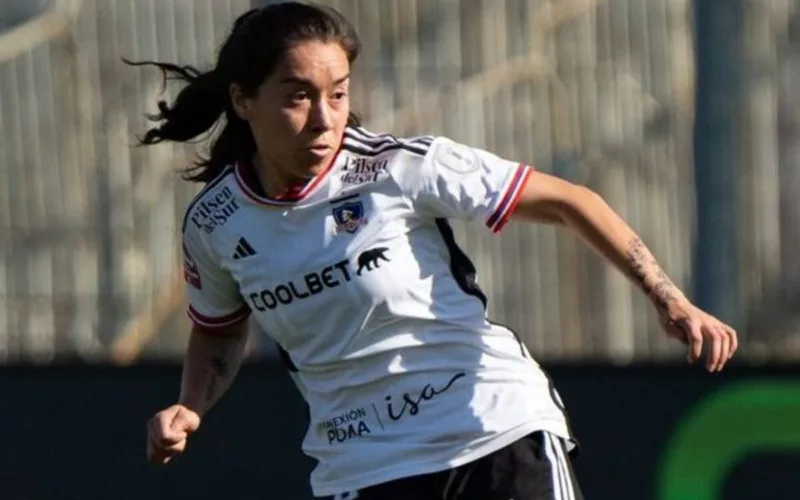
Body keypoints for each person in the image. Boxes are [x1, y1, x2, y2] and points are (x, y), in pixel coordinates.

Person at [134, 2, 738, 499]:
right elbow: (218, 328)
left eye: (338, 94)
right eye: (297, 96)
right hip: (361, 466)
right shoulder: (214, 223)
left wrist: (668, 296)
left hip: (492, 430)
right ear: (243, 101)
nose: (325, 119)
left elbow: (568, 200)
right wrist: (191, 406)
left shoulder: (399, 168)